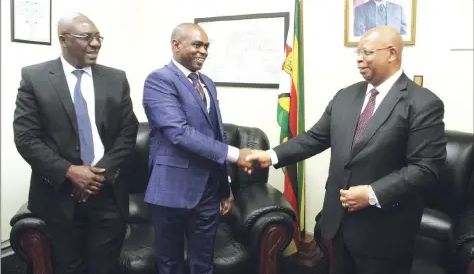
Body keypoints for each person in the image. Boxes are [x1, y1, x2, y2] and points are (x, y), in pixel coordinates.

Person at [246, 26, 446, 274]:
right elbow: (315, 138)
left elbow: (426, 169)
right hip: (338, 223)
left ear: (392, 53)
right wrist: (271, 155)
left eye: (367, 52)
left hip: (385, 231)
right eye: (357, 52)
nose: (359, 59)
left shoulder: (423, 103)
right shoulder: (345, 96)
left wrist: (372, 193)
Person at [13, 13, 138, 274]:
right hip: (59, 198)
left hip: (107, 195)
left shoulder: (116, 79)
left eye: (98, 37)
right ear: (63, 39)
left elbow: (128, 131)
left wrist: (97, 174)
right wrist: (70, 172)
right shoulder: (35, 78)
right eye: (86, 37)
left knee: (105, 268)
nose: (95, 43)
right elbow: (26, 137)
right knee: (68, 268)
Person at [142, 23, 253, 274]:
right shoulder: (159, 80)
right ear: (176, 45)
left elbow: (217, 133)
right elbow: (178, 132)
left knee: (203, 262)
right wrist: (236, 155)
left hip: (208, 191)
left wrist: (225, 186)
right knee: (169, 263)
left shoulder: (208, 83)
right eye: (196, 45)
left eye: (206, 46)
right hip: (171, 189)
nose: (203, 51)